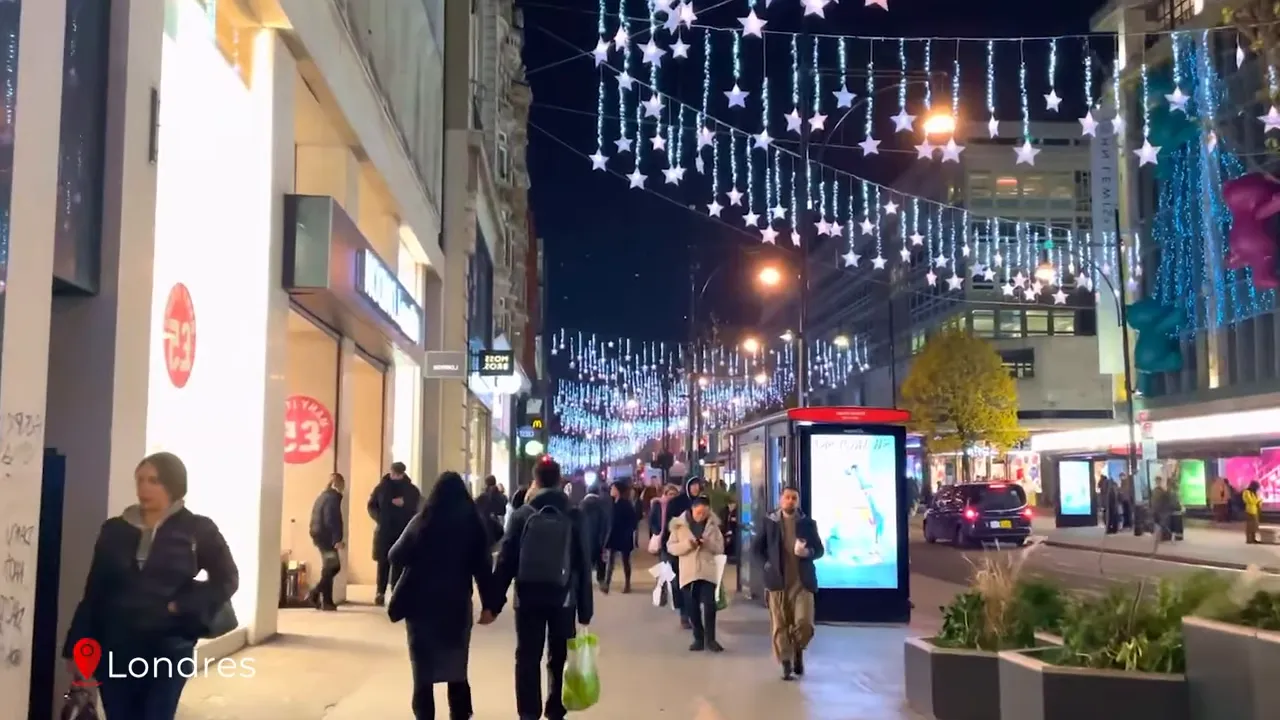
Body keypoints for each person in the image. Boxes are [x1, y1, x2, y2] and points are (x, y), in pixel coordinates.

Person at [63, 452, 239, 720]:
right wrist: (77, 646)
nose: (144, 487)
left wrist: (181, 605)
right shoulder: (114, 530)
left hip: (168, 647)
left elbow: (227, 579)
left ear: (173, 485)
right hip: (116, 646)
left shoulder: (198, 530)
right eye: (140, 480)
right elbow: (94, 593)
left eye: (153, 481)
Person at [388, 471, 503, 720]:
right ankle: (459, 715)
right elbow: (483, 568)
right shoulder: (472, 523)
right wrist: (489, 605)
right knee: (456, 671)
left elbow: (395, 555)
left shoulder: (424, 520)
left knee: (423, 674)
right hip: (455, 608)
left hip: (421, 607)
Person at [492, 459, 593, 720]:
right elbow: (583, 562)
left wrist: (493, 601)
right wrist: (585, 609)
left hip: (527, 597)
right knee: (559, 654)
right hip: (564, 598)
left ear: (534, 482)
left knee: (527, 656)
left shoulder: (521, 515)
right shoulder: (574, 514)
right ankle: (556, 709)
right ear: (560, 482)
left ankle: (528, 713)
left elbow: (506, 560)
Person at [753, 486, 824, 680]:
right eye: (787, 497)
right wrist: (767, 565)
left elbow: (819, 550)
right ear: (780, 500)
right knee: (780, 625)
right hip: (777, 582)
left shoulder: (808, 524)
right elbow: (756, 549)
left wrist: (807, 552)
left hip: (802, 582)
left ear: (798, 501)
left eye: (794, 498)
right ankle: (786, 662)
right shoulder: (770, 523)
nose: (790, 501)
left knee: (804, 624)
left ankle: (798, 649)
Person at [666, 495, 725, 652]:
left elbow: (720, 548)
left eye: (704, 513)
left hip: (707, 571)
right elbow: (671, 547)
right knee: (692, 607)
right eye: (698, 513)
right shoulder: (679, 527)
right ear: (692, 510)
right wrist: (688, 545)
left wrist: (708, 544)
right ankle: (698, 637)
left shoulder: (713, 527)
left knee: (710, 606)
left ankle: (711, 639)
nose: (701, 516)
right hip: (688, 572)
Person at [368, 461, 422, 606]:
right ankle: (380, 592)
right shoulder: (381, 488)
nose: (394, 476)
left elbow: (417, 507)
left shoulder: (411, 490)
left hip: (402, 531)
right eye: (393, 473)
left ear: (402, 474)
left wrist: (405, 504)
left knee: (398, 562)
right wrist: (380, 518)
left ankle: (396, 592)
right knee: (383, 563)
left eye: (397, 474)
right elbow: (371, 505)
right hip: (384, 530)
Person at [308, 473, 346, 610]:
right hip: (326, 537)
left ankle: (327, 602)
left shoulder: (323, 496)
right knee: (333, 567)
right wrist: (337, 539)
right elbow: (332, 519)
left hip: (319, 535)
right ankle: (314, 593)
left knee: (329, 567)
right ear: (339, 484)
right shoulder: (333, 498)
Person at [647, 483, 681, 608]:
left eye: (674, 494)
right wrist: (658, 532)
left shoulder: (679, 507)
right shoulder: (658, 505)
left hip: (678, 543)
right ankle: (666, 592)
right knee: (670, 573)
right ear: (665, 494)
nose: (672, 497)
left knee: (674, 573)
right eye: (670, 494)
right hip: (664, 543)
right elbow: (652, 521)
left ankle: (673, 596)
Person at [604, 482, 639, 593]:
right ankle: (607, 583)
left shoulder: (626, 504)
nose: (611, 490)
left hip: (624, 535)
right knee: (610, 560)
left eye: (613, 488)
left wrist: (628, 533)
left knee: (625, 560)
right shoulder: (611, 503)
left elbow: (633, 521)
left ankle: (627, 584)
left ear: (618, 490)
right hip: (613, 535)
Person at [580, 480, 613, 590]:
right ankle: (601, 580)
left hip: (585, 538)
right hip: (599, 538)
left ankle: (586, 582)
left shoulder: (582, 505)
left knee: (585, 561)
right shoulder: (602, 504)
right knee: (600, 560)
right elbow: (606, 521)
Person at [479, 474, 509, 544]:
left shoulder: (482, 497)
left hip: (487, 529)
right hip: (500, 527)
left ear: (486, 484)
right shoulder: (503, 497)